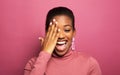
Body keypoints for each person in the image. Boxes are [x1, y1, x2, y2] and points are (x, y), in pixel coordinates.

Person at [24, 6, 102, 75]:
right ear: (47, 33)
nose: (60, 36)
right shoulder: (32, 64)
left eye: (67, 30)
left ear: (73, 33)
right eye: (55, 30)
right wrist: (44, 54)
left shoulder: (90, 64)